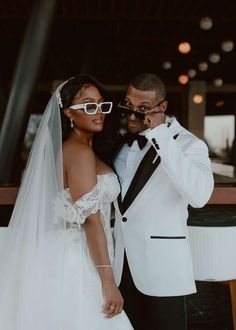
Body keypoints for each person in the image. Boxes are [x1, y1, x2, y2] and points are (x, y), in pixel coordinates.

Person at [0, 74, 133, 330]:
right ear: (69, 113)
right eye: (88, 105)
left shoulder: (79, 150)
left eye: (101, 104)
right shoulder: (79, 152)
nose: (99, 112)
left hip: (74, 250)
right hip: (79, 257)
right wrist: (108, 281)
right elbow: (92, 220)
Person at [113, 72, 214, 330]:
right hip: (120, 266)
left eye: (143, 109)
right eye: (129, 106)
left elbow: (199, 196)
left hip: (162, 269)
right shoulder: (117, 144)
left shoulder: (190, 145)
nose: (133, 116)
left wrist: (160, 135)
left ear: (162, 108)